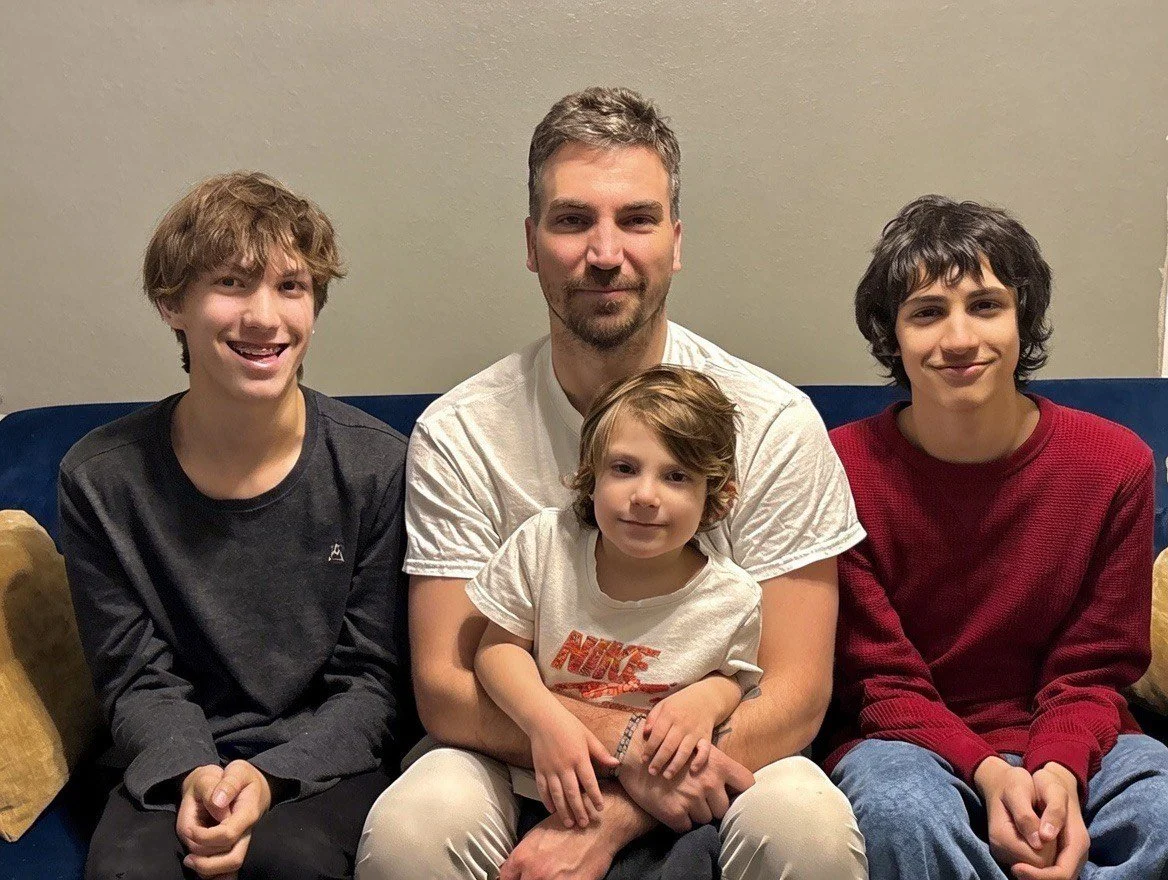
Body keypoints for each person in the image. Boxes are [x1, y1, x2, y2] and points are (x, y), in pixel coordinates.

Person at [357, 87, 868, 880]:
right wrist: (625, 746)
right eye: (571, 221)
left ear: (675, 240)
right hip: (517, 745)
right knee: (412, 830)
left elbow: (796, 691)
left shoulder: (770, 422)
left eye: (636, 219)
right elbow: (448, 686)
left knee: (806, 827)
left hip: (716, 750)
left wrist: (618, 813)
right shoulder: (461, 432)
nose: (605, 252)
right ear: (531, 243)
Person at [59, 171, 408, 880]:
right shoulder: (100, 478)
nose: (264, 317)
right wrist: (194, 774)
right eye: (231, 284)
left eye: (291, 287)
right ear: (172, 305)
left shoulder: (378, 467)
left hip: (324, 763)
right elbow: (133, 675)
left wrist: (272, 778)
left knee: (293, 862)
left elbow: (371, 682)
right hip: (168, 756)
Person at [827, 194, 1168, 880]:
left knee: (1162, 812)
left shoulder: (1114, 465)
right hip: (900, 738)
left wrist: (1058, 770)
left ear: (1023, 320)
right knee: (898, 811)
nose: (958, 338)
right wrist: (986, 771)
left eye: (985, 305)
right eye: (927, 312)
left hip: (1082, 737)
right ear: (892, 335)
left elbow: (1095, 669)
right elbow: (879, 680)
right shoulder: (837, 469)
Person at [470, 366, 762, 831]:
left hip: (659, 799)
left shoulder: (733, 598)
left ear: (717, 495)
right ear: (591, 475)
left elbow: (737, 680)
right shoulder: (545, 545)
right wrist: (546, 723)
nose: (645, 495)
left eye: (677, 476)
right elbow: (497, 650)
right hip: (528, 773)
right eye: (624, 469)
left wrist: (706, 701)